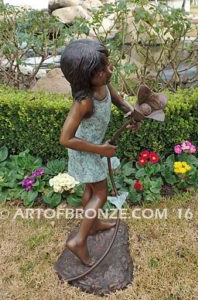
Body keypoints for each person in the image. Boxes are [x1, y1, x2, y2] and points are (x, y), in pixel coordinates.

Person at [59, 39, 140, 266]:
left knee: (90, 189)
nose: (109, 71)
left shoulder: (103, 85)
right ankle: (79, 240)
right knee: (100, 194)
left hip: (95, 150)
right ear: (84, 76)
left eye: (107, 65)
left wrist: (131, 113)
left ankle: (93, 225)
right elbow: (65, 138)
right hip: (86, 151)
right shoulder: (84, 102)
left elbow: (119, 101)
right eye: (102, 69)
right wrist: (100, 149)